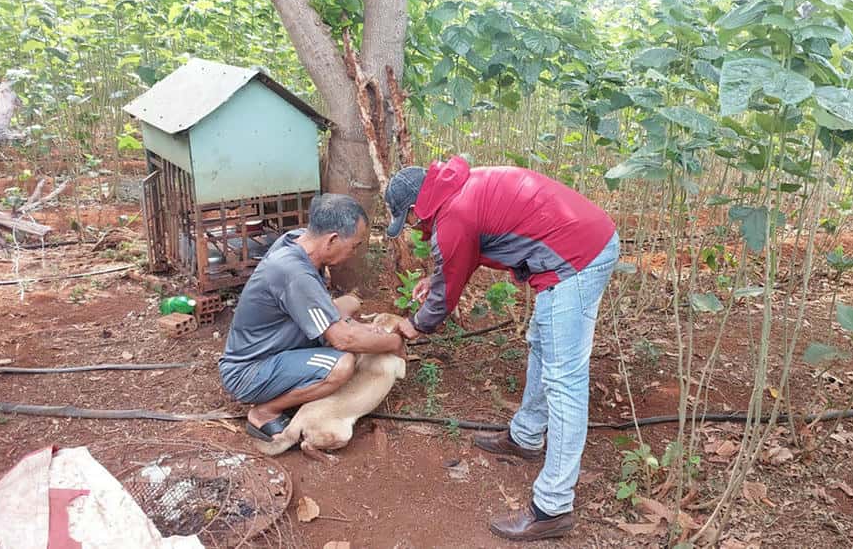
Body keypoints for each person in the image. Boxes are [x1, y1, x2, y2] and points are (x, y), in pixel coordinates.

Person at [385, 156, 618, 541]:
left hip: (577, 257)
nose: (411, 228)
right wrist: (436, 277)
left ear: (414, 208)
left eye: (407, 220)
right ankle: (526, 436)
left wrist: (412, 326)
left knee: (564, 381)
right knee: (541, 345)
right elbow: (464, 254)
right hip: (576, 245)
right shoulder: (457, 190)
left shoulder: (453, 215)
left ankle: (553, 507)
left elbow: (445, 297)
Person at [219, 193, 405, 442]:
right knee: (341, 366)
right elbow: (344, 340)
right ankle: (265, 412)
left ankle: (297, 385)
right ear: (332, 240)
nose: (354, 252)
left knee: (347, 305)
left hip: (274, 344)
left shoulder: (298, 240)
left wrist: (363, 331)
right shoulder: (295, 273)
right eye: (354, 245)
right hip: (250, 370)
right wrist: (394, 343)